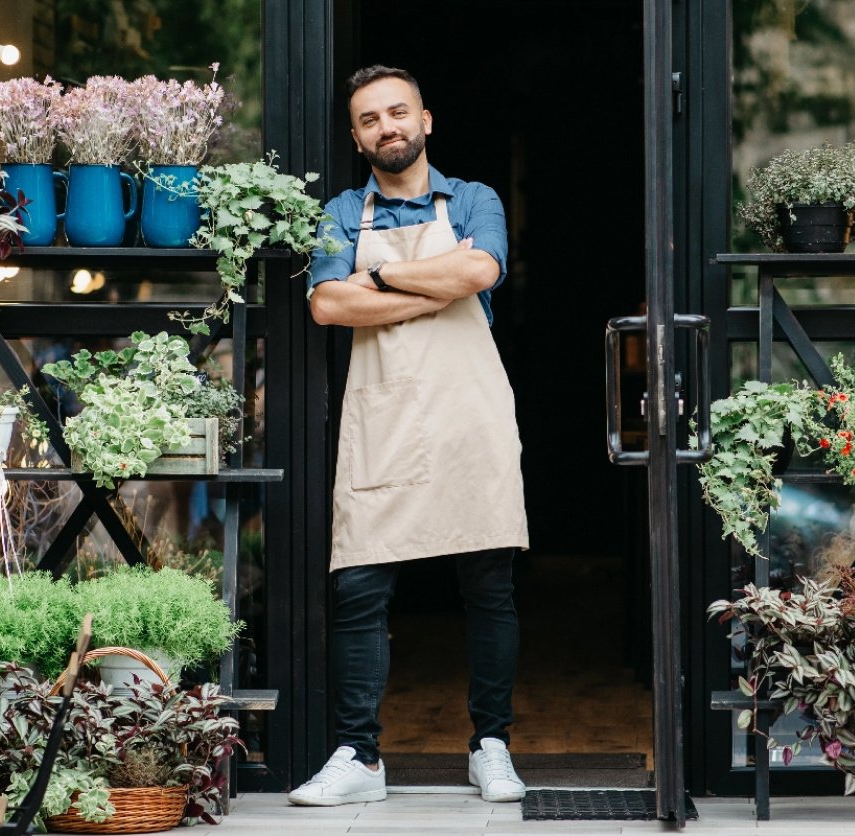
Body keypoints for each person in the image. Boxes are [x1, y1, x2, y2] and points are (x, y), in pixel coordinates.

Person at [287, 65, 529, 807]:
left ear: (427, 120)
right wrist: (433, 279)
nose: (387, 127)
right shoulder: (337, 212)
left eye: (398, 113)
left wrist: (382, 280)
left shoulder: (477, 199)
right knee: (360, 583)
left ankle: (492, 745)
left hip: (468, 413)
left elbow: (481, 269)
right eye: (370, 119)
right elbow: (328, 306)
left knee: (488, 584)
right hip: (384, 415)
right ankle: (358, 757)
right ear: (357, 137)